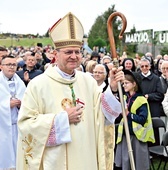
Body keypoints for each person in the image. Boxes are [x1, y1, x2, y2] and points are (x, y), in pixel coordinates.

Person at [16, 12, 124, 170]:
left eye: (77, 51)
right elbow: (26, 126)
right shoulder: (38, 85)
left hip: (87, 158)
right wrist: (62, 119)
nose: (74, 56)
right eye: (68, 52)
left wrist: (113, 87)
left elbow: (102, 117)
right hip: (56, 162)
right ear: (55, 54)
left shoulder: (88, 81)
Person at [115, 70, 155, 170]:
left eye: (126, 83)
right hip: (125, 135)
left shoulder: (141, 99)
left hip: (137, 137)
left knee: (138, 164)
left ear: (134, 84)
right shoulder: (124, 97)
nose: (124, 85)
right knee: (126, 162)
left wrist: (128, 114)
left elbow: (142, 119)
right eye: (123, 83)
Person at [0, 55, 26, 169]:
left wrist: (22, 104)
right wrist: (6, 105)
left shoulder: (20, 82)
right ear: (1, 67)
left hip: (17, 126)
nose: (11, 67)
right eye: (8, 64)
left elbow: (28, 102)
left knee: (18, 157)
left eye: (14, 65)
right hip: (2, 128)